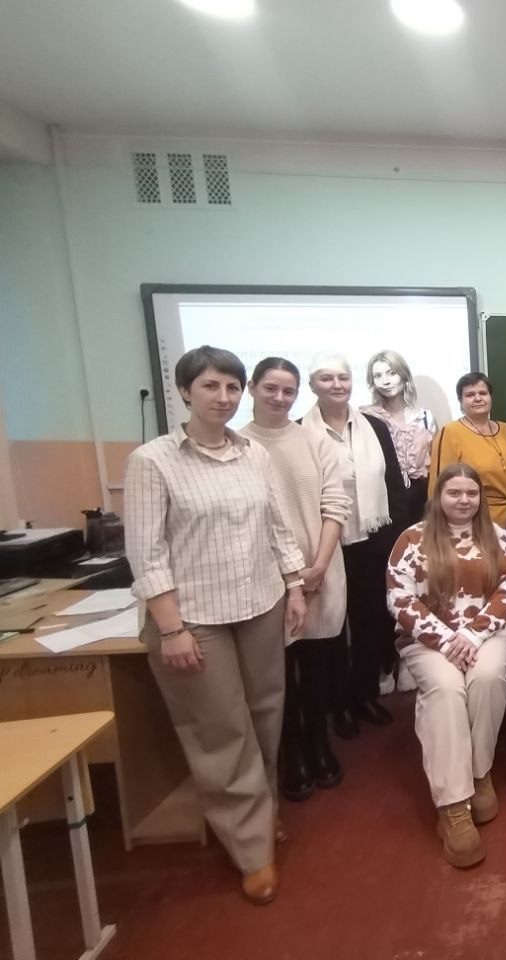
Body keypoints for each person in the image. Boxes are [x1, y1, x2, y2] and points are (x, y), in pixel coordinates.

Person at [124, 345, 307, 905]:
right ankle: (252, 849)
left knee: (265, 715)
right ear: (185, 391)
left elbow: (277, 526)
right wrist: (170, 628)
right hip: (194, 618)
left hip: (259, 604)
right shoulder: (153, 461)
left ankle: (260, 812)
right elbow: (147, 554)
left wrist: (295, 586)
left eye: (231, 387)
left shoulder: (254, 454)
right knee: (221, 731)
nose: (223, 397)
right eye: (210, 386)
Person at [386, 462, 506, 869]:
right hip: (428, 641)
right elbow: (399, 600)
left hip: (487, 635)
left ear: (480, 497)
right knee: (446, 689)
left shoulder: (498, 537)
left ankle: (480, 773)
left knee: (488, 678)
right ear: (439, 496)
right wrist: (447, 640)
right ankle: (453, 805)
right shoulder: (411, 540)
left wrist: (474, 635)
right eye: (454, 493)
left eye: (471, 493)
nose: (463, 500)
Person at [242, 358, 349, 803]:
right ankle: (291, 750)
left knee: (319, 665)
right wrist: (290, 578)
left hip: (322, 568)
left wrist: (318, 567)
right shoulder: (240, 444)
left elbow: (335, 504)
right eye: (271, 388)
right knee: (279, 672)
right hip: (267, 577)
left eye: (288, 390)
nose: (280, 397)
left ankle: (319, 741)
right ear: (252, 388)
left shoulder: (314, 439)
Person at [303, 356, 406, 734]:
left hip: (372, 539)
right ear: (312, 386)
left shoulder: (374, 426)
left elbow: (393, 483)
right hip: (326, 544)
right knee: (330, 626)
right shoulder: (300, 431)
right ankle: (337, 703)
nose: (336, 384)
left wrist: (394, 543)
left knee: (370, 622)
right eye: (326, 378)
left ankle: (364, 695)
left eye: (343, 377)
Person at [430, 372, 506, 526]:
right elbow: (438, 486)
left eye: (483, 393)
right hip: (474, 519)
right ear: (460, 401)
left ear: (491, 397)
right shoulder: (451, 432)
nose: (478, 398)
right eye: (470, 395)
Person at [361, 349, 438, 521]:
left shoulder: (424, 418)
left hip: (421, 501)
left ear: (403, 374)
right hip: (383, 501)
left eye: (391, 373)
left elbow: (435, 465)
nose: (385, 381)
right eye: (378, 376)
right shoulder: (367, 418)